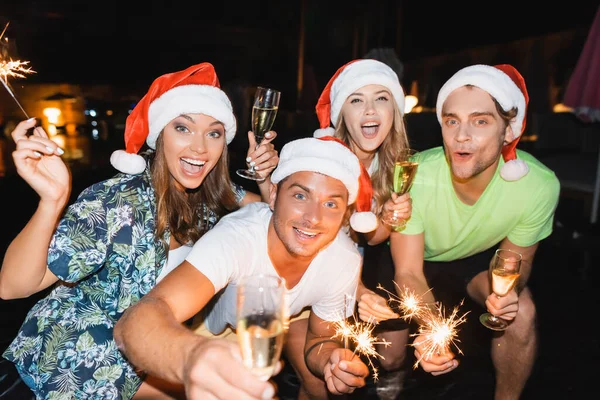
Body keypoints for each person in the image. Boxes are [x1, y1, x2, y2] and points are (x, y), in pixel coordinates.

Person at [0, 62, 279, 399]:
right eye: (183, 128)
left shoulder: (209, 197)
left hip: (127, 376)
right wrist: (51, 201)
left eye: (214, 132)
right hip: (50, 375)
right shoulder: (116, 201)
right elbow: (12, 286)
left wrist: (264, 178)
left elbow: (271, 215)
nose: (200, 147)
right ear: (159, 134)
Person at [113, 136, 374, 400]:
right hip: (212, 333)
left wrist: (332, 359)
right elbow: (138, 319)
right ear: (273, 195)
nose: (313, 218)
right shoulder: (236, 239)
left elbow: (320, 340)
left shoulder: (344, 259)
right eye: (299, 195)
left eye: (331, 204)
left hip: (287, 318)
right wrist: (192, 357)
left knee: (321, 386)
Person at [358, 64, 561, 399]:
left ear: (508, 131)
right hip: (412, 259)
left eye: (480, 121)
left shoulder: (538, 185)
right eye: (451, 120)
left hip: (473, 261)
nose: (461, 135)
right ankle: (391, 376)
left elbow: (517, 264)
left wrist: (505, 296)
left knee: (520, 310)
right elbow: (408, 271)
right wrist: (434, 329)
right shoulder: (418, 174)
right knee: (390, 356)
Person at [286, 58, 413, 399]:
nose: (370, 109)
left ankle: (388, 374)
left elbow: (373, 237)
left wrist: (389, 217)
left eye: (381, 98)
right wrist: (358, 292)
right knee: (321, 383)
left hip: (350, 270)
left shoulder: (394, 165)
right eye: (356, 99)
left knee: (391, 355)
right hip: (300, 275)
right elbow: (319, 247)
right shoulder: (324, 160)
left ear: (395, 111)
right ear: (341, 113)